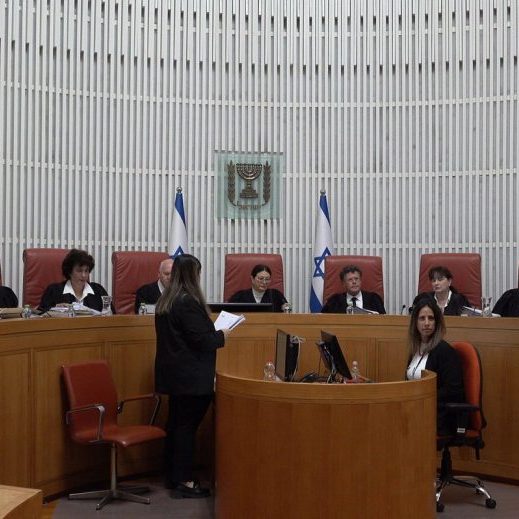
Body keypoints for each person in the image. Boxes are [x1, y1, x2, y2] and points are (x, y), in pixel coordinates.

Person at [155, 254, 231, 498]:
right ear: (192, 275)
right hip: (191, 378)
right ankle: (185, 482)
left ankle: (173, 476)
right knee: (186, 429)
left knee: (176, 426)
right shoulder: (187, 302)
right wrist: (223, 335)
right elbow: (202, 340)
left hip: (175, 377)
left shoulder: (166, 301)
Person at [406, 299, 465, 435]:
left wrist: (422, 398)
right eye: (422, 318)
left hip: (440, 415)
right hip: (418, 409)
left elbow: (453, 390)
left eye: (431, 318)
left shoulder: (444, 350)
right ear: (415, 323)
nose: (426, 323)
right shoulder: (415, 349)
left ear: (437, 322)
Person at [39, 249, 110, 312]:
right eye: (79, 271)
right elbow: (40, 314)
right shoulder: (54, 291)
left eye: (86, 271)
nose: (84, 275)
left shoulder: (98, 290)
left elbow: (112, 315)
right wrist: (54, 309)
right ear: (69, 272)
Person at [321, 265, 386, 314]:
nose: (354, 282)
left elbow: (385, 322)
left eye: (356, 279)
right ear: (343, 283)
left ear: (360, 281)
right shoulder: (334, 301)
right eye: (350, 279)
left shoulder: (374, 299)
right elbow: (322, 320)